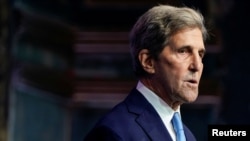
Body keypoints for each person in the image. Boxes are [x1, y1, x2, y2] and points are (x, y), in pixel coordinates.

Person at [84, 4, 208, 141]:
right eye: (183, 51)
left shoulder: (188, 136)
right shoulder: (114, 132)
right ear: (148, 62)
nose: (197, 65)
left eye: (200, 54)